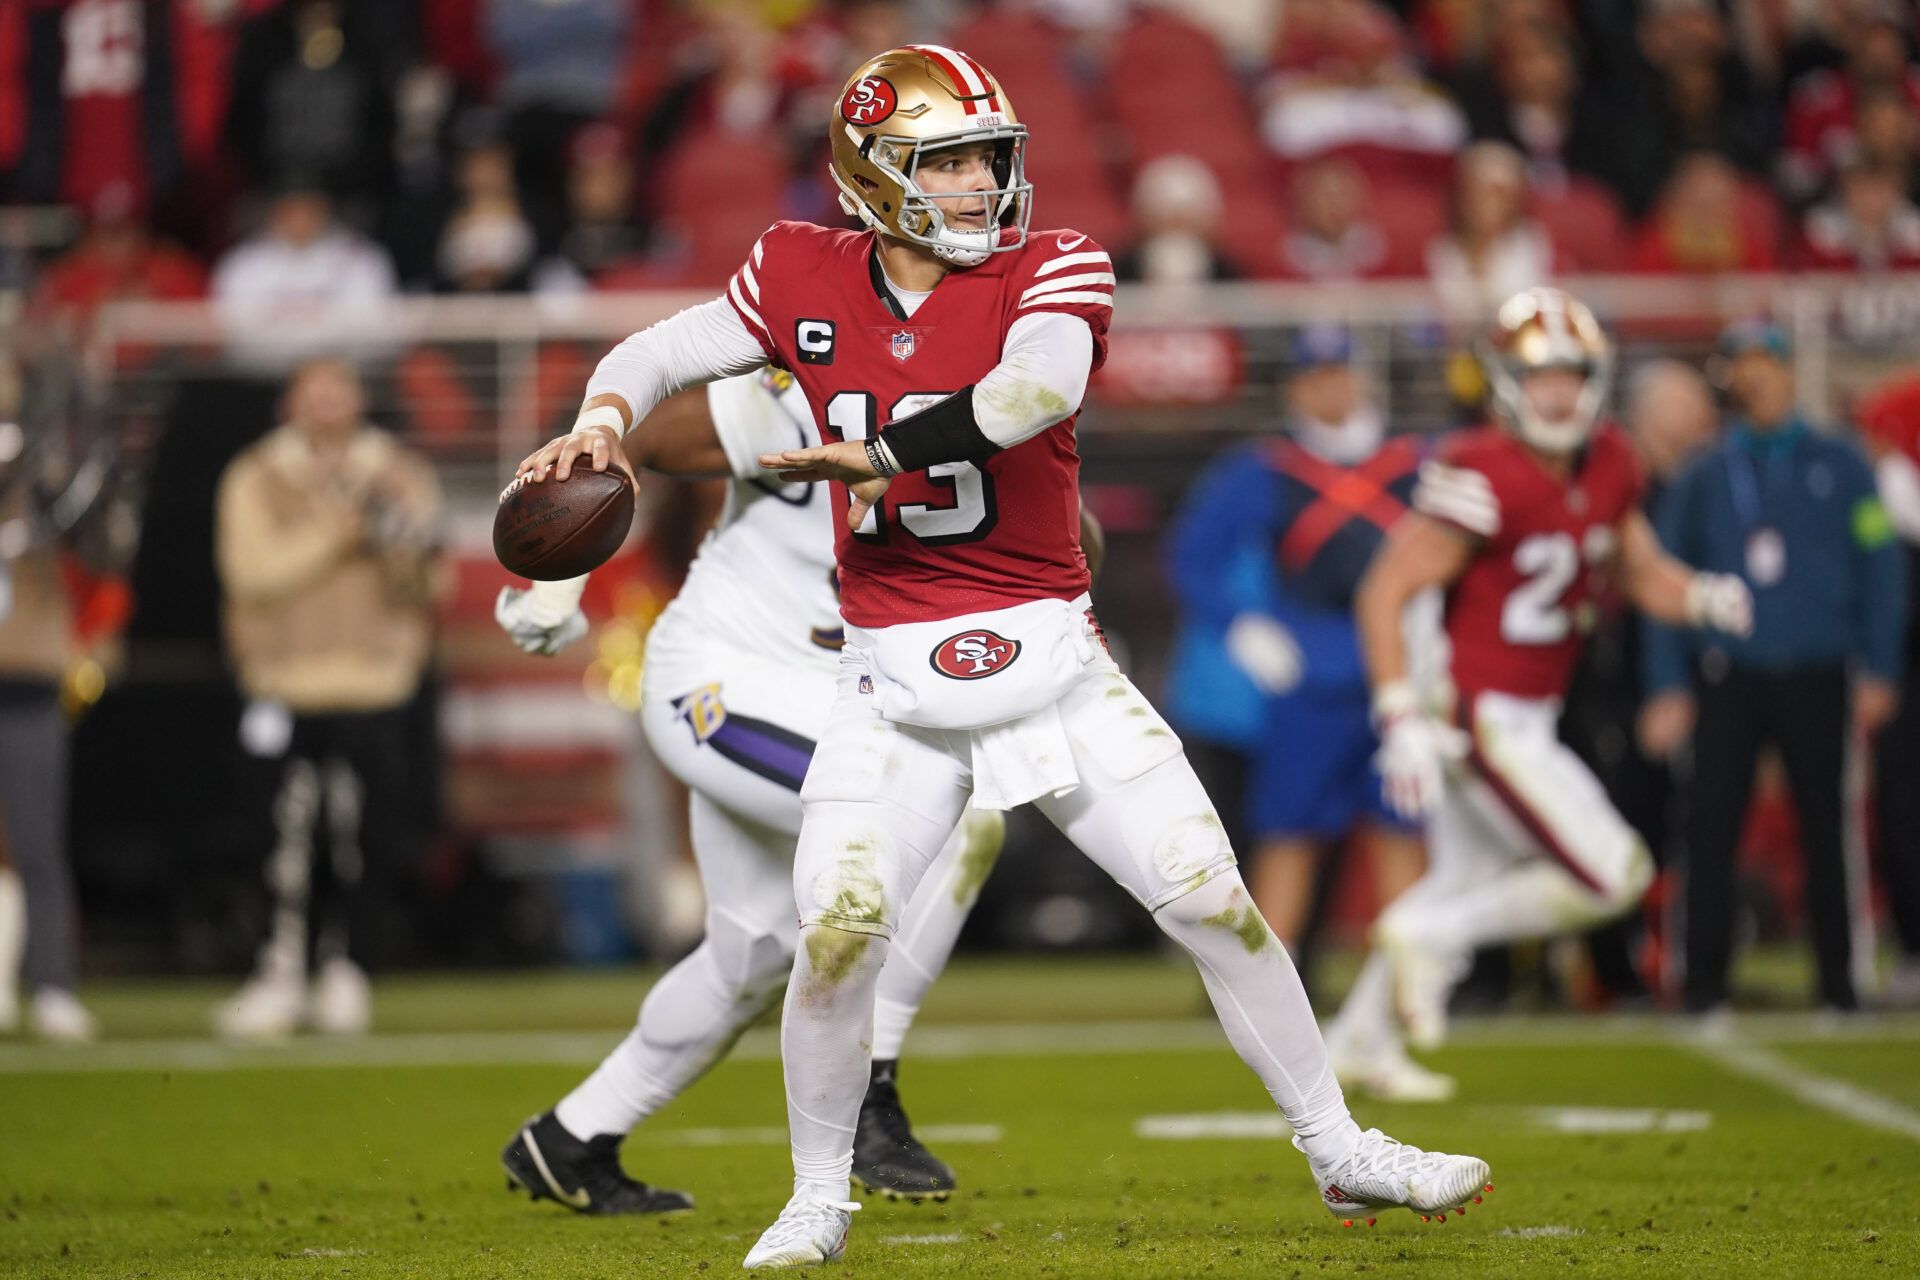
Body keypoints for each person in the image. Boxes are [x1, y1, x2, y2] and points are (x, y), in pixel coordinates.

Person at [517, 44, 1492, 1269]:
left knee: (1211, 899)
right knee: (833, 933)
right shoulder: (799, 269)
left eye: (991, 156)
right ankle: (819, 1192)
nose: (984, 182)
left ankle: (1339, 1145)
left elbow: (1033, 392)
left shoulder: (1058, 263)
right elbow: (657, 353)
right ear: (877, 179)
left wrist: (874, 455)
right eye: (952, 160)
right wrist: (597, 422)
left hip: (1056, 664)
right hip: (886, 681)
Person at [496, 369, 1024, 1208]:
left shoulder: (1002, 397)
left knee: (754, 952)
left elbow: (1060, 537)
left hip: (831, 701)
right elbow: (620, 447)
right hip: (721, 684)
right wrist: (553, 579)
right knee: (956, 811)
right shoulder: (807, 389)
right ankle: (871, 1087)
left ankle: (570, 1138)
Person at [1338, 287, 1752, 1071]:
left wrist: (1697, 595)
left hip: (1529, 707)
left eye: (1569, 374)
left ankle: (1360, 1045)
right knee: (1614, 871)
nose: (1556, 393)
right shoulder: (1481, 469)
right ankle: (1431, 941)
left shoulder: (1611, 462)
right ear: (1503, 382)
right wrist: (1398, 715)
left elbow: (1636, 568)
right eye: (1538, 377)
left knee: (1467, 875)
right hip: (1484, 712)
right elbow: (1384, 591)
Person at [1167, 331, 1434, 1092]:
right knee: (1288, 839)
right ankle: (1263, 1005)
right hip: (1311, 675)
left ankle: (1406, 1003)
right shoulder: (1268, 468)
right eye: (1314, 377)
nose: (1329, 390)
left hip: (1396, 675)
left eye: (1339, 373)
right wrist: (1243, 626)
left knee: (1401, 833)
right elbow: (1195, 555)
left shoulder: (1416, 463)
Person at [1640, 321, 1905, 1017]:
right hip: (1728, 670)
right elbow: (1658, 575)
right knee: (1711, 826)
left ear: (1789, 373)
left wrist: (1880, 664)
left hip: (1819, 668)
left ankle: (1840, 984)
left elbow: (1880, 566)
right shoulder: (1705, 470)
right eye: (1745, 366)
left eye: (1768, 364)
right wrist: (1668, 682)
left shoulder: (1843, 462)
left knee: (1829, 826)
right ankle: (1701, 985)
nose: (1758, 379)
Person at [213, 359, 443, 1039]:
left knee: (362, 841)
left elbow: (432, 584)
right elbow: (250, 574)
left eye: (338, 388)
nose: (326, 403)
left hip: (373, 684)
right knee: (279, 842)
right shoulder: (256, 474)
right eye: (312, 390)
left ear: (359, 398)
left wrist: (396, 545)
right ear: (291, 401)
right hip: (285, 686)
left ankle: (348, 972)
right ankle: (277, 973)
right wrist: (337, 535)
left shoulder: (399, 472)